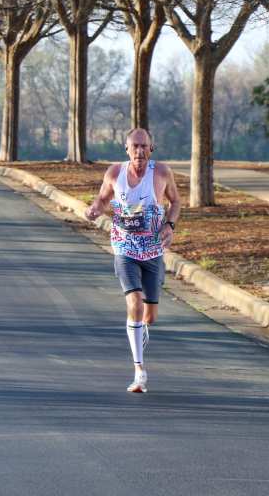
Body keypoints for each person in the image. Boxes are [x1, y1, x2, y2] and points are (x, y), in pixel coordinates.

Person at [85, 128, 181, 393]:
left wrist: (170, 226)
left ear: (152, 149)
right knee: (134, 303)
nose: (139, 151)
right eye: (135, 146)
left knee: (149, 316)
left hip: (152, 250)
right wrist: (95, 209)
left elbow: (175, 201)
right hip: (124, 247)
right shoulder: (114, 173)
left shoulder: (161, 172)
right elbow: (103, 198)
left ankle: (139, 330)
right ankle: (139, 370)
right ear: (126, 148)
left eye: (144, 146)